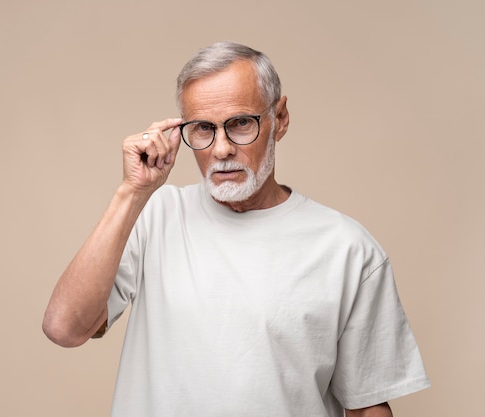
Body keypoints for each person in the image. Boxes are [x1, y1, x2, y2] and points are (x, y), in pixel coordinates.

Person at [42, 41, 430, 417]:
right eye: (203, 128)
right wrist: (131, 192)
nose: (222, 148)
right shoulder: (154, 215)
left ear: (279, 119)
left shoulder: (348, 249)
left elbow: (367, 407)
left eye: (241, 123)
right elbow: (64, 328)